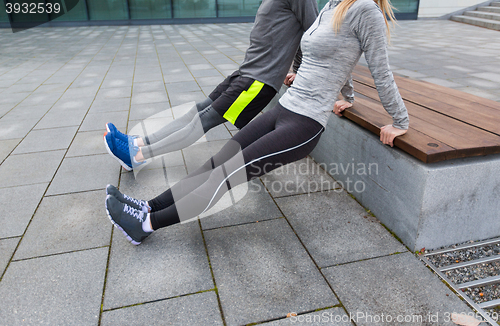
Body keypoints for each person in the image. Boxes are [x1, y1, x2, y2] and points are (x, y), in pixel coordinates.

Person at [105, 0, 410, 245]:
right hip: (284, 109)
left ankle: (145, 224)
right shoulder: (333, 6)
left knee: (225, 176)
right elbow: (338, 57)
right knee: (214, 164)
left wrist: (399, 120)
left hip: (304, 124)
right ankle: (148, 206)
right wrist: (349, 96)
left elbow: (380, 70)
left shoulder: (366, 10)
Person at [104, 0, 319, 171]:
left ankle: (137, 157)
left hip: (259, 81)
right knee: (198, 109)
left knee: (203, 121)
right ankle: (139, 142)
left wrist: (299, 71)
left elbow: (311, 34)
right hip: (244, 72)